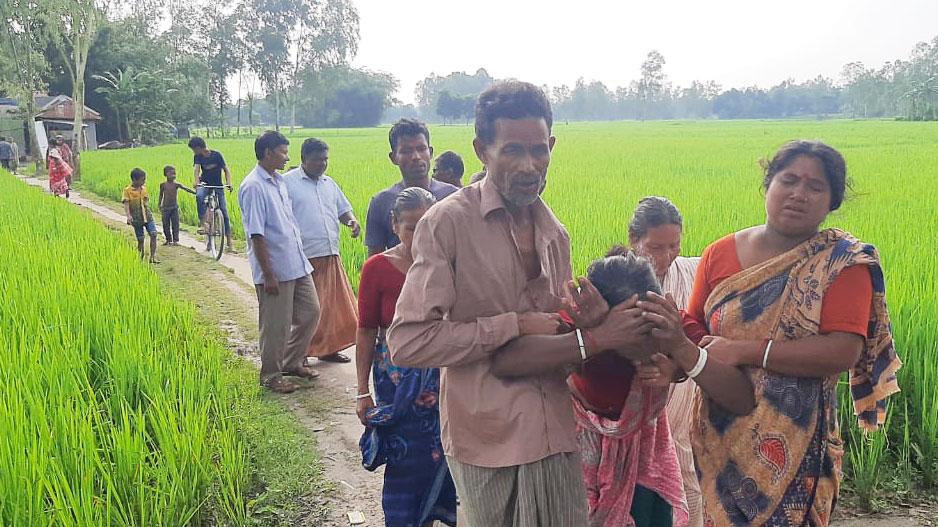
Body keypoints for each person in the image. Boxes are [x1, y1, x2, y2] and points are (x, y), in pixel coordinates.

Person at [387, 81, 645, 526]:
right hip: (486, 437)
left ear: (552, 146)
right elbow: (409, 343)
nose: (529, 166)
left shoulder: (556, 235)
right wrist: (512, 325)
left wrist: (588, 325)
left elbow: (559, 336)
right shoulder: (447, 224)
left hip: (556, 432)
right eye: (511, 151)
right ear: (481, 150)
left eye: (538, 150)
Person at [648, 140, 902, 526]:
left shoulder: (842, 263)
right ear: (768, 184)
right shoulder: (720, 254)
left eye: (815, 187)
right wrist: (688, 357)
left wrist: (744, 351)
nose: (799, 194)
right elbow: (694, 322)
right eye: (789, 180)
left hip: (801, 442)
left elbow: (842, 350)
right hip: (721, 430)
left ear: (832, 201)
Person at [356, 188, 457, 527]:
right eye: (412, 226)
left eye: (428, 224)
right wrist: (361, 391)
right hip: (396, 380)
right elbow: (367, 330)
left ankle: (433, 516)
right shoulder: (377, 269)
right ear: (394, 225)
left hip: (444, 375)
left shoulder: (449, 265)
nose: (420, 234)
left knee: (443, 451)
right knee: (404, 456)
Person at [614, 196, 703, 527]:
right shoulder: (615, 279)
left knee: (685, 478)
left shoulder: (693, 274)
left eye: (674, 246)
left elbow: (700, 334)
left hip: (681, 406)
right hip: (629, 410)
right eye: (655, 247)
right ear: (634, 239)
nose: (666, 257)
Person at [238, 131, 321, 394]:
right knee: (276, 325)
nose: (287, 157)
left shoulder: (278, 181)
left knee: (311, 312)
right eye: (283, 152)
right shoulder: (253, 186)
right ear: (268, 153)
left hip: (296, 262)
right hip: (275, 269)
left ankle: (291, 361)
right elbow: (256, 234)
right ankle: (271, 375)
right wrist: (268, 274)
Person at [284, 138, 361, 364]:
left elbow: (343, 209)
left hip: (330, 253)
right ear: (304, 159)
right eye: (317, 160)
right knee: (307, 311)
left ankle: (329, 348)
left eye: (325, 159)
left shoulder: (329, 183)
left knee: (332, 309)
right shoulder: (288, 183)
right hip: (304, 256)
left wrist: (352, 222)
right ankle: (301, 352)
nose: (322, 164)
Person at [364, 119, 458, 256]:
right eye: (406, 151)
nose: (416, 156)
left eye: (421, 149)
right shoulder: (381, 202)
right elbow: (375, 259)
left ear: (430, 152)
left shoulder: (453, 196)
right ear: (393, 157)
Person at [189, 136, 234, 249]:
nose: (194, 152)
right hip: (205, 184)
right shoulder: (198, 157)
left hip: (218, 185)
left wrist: (229, 183)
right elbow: (196, 170)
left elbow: (226, 170)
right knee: (199, 196)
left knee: (224, 211)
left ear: (199, 147)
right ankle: (203, 223)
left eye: (194, 149)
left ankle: (229, 242)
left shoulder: (216, 155)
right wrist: (196, 182)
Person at [122, 168, 159, 263]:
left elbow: (146, 200)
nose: (144, 181)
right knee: (141, 239)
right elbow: (126, 204)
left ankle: (153, 257)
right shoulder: (127, 191)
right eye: (142, 179)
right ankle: (141, 258)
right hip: (136, 217)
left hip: (147, 215)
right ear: (134, 179)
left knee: (154, 234)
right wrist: (128, 216)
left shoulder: (144, 189)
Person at [158, 165, 195, 246]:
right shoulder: (163, 185)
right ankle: (168, 240)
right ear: (165, 174)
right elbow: (161, 195)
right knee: (165, 225)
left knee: (175, 224)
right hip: (165, 208)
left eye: (174, 174)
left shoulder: (176, 184)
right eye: (171, 174)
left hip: (174, 207)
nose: (173, 175)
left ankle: (175, 240)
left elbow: (186, 189)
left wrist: (195, 192)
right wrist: (159, 204)